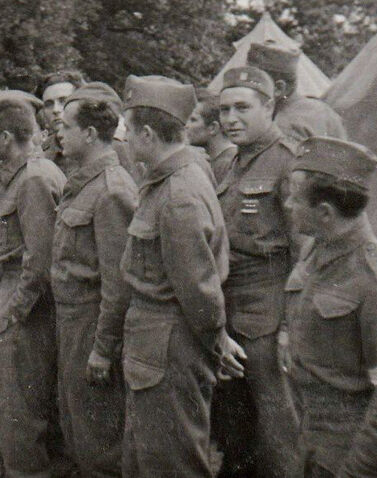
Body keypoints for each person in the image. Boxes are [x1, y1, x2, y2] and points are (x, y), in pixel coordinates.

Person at [118, 76, 244, 477]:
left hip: (169, 344)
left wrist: (215, 339)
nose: (126, 139)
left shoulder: (178, 195)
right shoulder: (174, 178)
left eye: (130, 130)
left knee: (172, 463)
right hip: (160, 342)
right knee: (148, 459)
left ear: (149, 135)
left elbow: (199, 288)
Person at [282, 136, 377, 477]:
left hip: (356, 451)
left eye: (295, 198)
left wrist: (355, 472)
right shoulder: (317, 249)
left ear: (325, 213)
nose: (286, 203)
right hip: (315, 436)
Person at [0, 95, 66, 478]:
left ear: (6, 136)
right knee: (16, 411)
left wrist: (13, 315)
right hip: (12, 293)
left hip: (24, 310)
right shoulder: (23, 174)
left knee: (19, 416)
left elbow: (39, 263)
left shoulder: (34, 179)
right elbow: (21, 250)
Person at [212, 66, 300, 478]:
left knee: (276, 420)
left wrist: (290, 327)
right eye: (224, 109)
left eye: (242, 107)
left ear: (269, 106)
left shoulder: (287, 163)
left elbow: (306, 254)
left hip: (268, 309)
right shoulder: (231, 160)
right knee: (233, 418)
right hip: (229, 306)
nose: (230, 118)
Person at [48, 82, 136, 477]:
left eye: (65, 126)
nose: (57, 133)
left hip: (90, 323)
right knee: (78, 426)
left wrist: (103, 348)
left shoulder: (111, 190)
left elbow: (118, 284)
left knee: (100, 436)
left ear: (89, 133)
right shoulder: (82, 181)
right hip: (71, 320)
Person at [246, 42, 347, 143]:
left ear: (278, 89)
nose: (246, 93)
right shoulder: (323, 109)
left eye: (253, 85)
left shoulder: (281, 127)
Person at [38, 70, 86, 174]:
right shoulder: (41, 154)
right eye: (49, 104)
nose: (55, 110)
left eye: (63, 101)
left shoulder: (102, 147)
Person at [187, 89, 237, 184]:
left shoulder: (227, 164)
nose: (186, 126)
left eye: (193, 120)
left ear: (213, 128)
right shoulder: (213, 160)